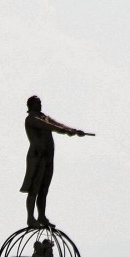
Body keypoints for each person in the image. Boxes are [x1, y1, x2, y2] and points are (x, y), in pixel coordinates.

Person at [21, 95, 89, 228]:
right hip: (37, 157)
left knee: (44, 188)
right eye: (37, 103)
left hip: (47, 157)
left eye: (40, 102)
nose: (40, 105)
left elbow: (58, 124)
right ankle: (30, 218)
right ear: (31, 105)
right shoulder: (31, 119)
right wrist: (66, 131)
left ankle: (42, 216)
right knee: (34, 188)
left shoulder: (43, 116)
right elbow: (48, 126)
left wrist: (73, 131)